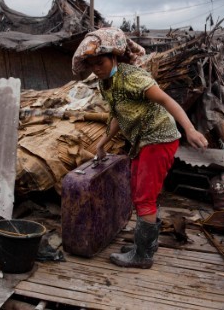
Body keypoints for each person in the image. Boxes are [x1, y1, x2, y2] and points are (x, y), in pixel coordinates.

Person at [72, 27, 208, 269]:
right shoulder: (106, 83)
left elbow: (166, 100)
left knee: (145, 196)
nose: (96, 67)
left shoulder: (132, 77)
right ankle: (145, 245)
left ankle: (143, 255)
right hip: (142, 141)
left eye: (100, 61)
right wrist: (102, 143)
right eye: (91, 64)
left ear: (114, 57)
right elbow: (118, 115)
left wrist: (190, 129)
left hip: (159, 138)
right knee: (139, 190)